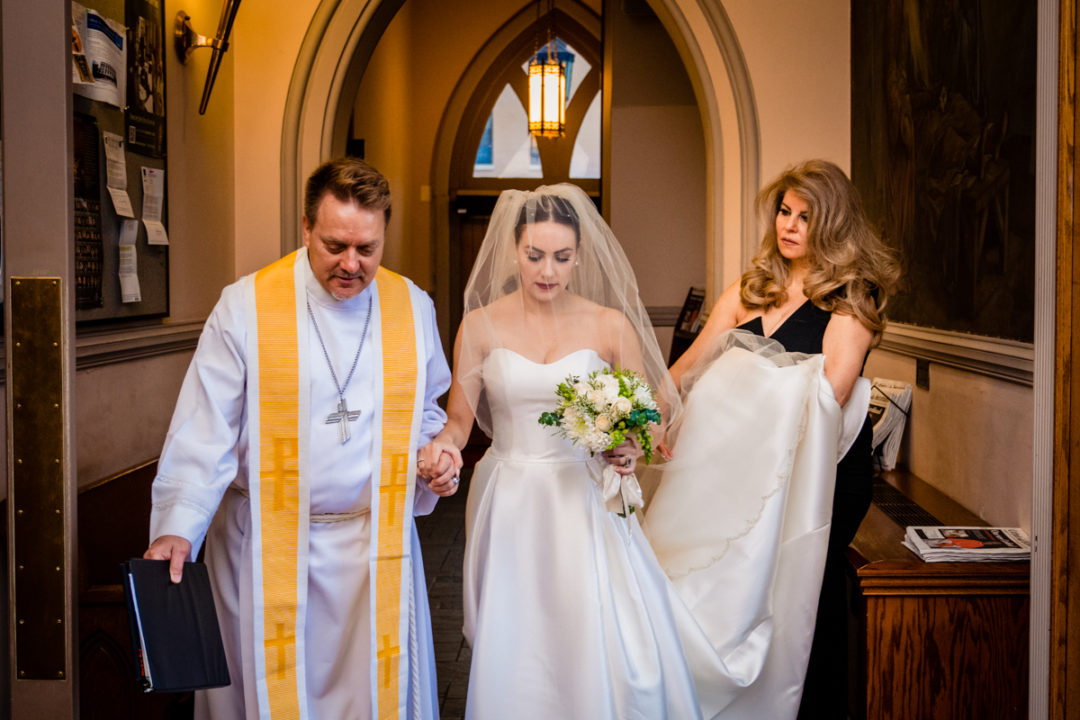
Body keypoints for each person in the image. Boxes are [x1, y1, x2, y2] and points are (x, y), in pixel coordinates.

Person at [144, 157, 457, 720]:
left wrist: (436, 459)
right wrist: (177, 528)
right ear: (306, 228)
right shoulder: (246, 307)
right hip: (263, 547)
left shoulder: (411, 307)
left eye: (368, 248)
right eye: (335, 245)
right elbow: (204, 427)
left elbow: (427, 412)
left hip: (373, 550)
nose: (352, 264)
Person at [417, 185, 703, 718]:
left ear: (579, 255)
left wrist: (630, 447)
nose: (547, 270)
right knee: (517, 634)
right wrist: (443, 447)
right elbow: (459, 419)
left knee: (588, 626)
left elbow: (647, 415)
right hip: (510, 495)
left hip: (582, 497)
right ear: (513, 249)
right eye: (534, 255)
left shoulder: (608, 324)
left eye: (562, 257)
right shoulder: (479, 326)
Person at [667, 158, 900, 718]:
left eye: (805, 217)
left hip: (819, 473)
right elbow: (687, 369)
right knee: (724, 584)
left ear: (834, 225)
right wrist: (640, 411)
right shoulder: (750, 290)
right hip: (737, 468)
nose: (789, 226)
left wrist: (739, 392)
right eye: (784, 212)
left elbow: (832, 392)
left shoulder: (851, 296)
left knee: (797, 595)